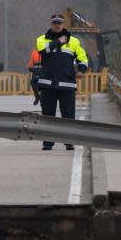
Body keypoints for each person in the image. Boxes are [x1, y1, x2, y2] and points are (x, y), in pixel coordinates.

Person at [35, 13, 89, 150]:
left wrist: (81, 70)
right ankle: (48, 142)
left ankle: (69, 141)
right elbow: (43, 52)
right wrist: (58, 42)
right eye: (54, 23)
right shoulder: (41, 39)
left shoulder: (74, 41)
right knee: (47, 115)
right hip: (47, 84)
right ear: (50, 24)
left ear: (63, 24)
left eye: (59, 23)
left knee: (68, 115)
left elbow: (83, 58)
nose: (57, 25)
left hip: (67, 84)